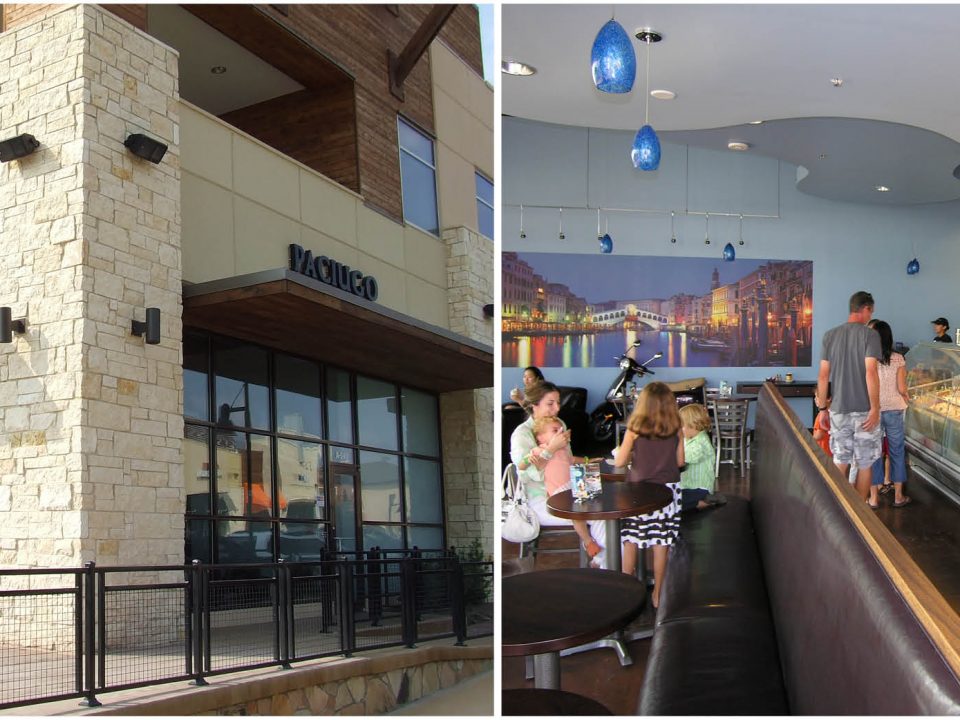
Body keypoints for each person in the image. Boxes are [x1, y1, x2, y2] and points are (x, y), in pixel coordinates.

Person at [509, 381, 606, 565]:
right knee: (601, 515)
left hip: (570, 485)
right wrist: (551, 448)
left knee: (607, 504)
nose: (557, 408)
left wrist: (587, 462)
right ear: (533, 405)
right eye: (550, 403)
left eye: (558, 402)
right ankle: (606, 561)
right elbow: (526, 474)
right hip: (540, 498)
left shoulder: (558, 423)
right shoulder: (521, 434)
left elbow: (566, 459)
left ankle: (606, 561)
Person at [613, 382, 684, 609]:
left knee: (631, 540)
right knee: (661, 544)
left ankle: (625, 592)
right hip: (667, 493)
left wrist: (634, 453)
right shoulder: (676, 427)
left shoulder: (634, 429)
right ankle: (658, 595)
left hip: (638, 492)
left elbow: (620, 462)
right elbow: (680, 462)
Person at [816, 290, 882, 502]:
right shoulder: (870, 335)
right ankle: (861, 514)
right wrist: (875, 408)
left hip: (838, 409)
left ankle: (836, 508)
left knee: (840, 460)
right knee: (864, 463)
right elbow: (870, 372)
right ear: (865, 309)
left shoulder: (830, 335)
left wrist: (822, 409)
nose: (870, 316)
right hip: (864, 410)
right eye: (870, 311)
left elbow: (823, 375)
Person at [530, 416, 603, 564]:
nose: (560, 433)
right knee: (576, 514)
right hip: (559, 493)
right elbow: (535, 463)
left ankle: (603, 553)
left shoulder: (563, 450)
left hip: (573, 485)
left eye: (561, 430)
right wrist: (531, 459)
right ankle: (588, 541)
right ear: (540, 437)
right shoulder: (541, 450)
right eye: (555, 430)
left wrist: (589, 460)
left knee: (598, 501)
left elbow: (573, 460)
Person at [866, 320, 912, 509]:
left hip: (874, 409)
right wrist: (907, 396)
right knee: (896, 452)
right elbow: (902, 388)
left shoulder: (868, 359)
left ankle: (874, 498)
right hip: (894, 409)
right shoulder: (899, 358)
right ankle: (899, 496)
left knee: (874, 453)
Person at [677, 404, 724, 511]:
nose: (679, 430)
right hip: (686, 486)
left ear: (693, 424)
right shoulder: (687, 439)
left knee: (675, 502)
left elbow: (690, 457)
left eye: (682, 426)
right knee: (671, 497)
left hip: (699, 488)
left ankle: (701, 503)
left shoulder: (702, 442)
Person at [812, 387, 832, 457]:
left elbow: (820, 435)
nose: (815, 399)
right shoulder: (832, 413)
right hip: (830, 451)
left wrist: (810, 440)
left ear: (828, 399)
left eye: (817, 397)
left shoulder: (822, 416)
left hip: (823, 451)